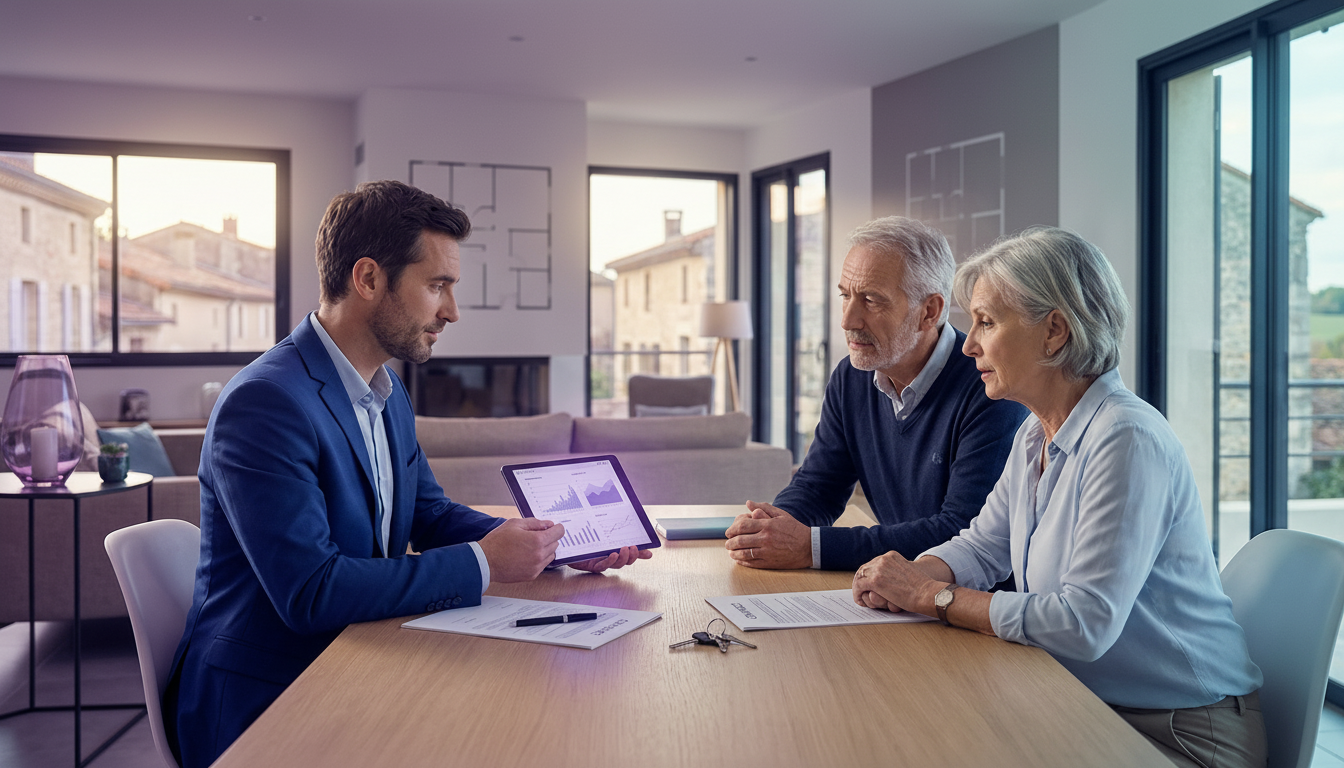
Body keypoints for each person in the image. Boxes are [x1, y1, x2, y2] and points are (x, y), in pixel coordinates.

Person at [164, 180, 649, 768]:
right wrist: (486, 563)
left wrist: (555, 544)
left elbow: (428, 513)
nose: (452, 311)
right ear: (368, 279)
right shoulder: (265, 403)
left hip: (360, 656)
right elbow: (310, 593)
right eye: (437, 286)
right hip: (265, 699)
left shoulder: (386, 393)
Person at [851, 227, 1266, 768]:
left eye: (986, 322)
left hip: (1183, 732)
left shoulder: (1127, 439)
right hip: (1089, 701)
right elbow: (982, 547)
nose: (969, 343)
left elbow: (1083, 623)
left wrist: (932, 597)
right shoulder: (1035, 434)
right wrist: (911, 576)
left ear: (1055, 332)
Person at [726, 216, 1027, 571]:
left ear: (929, 311)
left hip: (970, 607)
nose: (848, 320)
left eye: (871, 300)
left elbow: (962, 531)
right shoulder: (851, 377)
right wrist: (773, 527)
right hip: (895, 592)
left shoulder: (991, 388)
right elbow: (819, 485)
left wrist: (812, 547)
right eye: (845, 296)